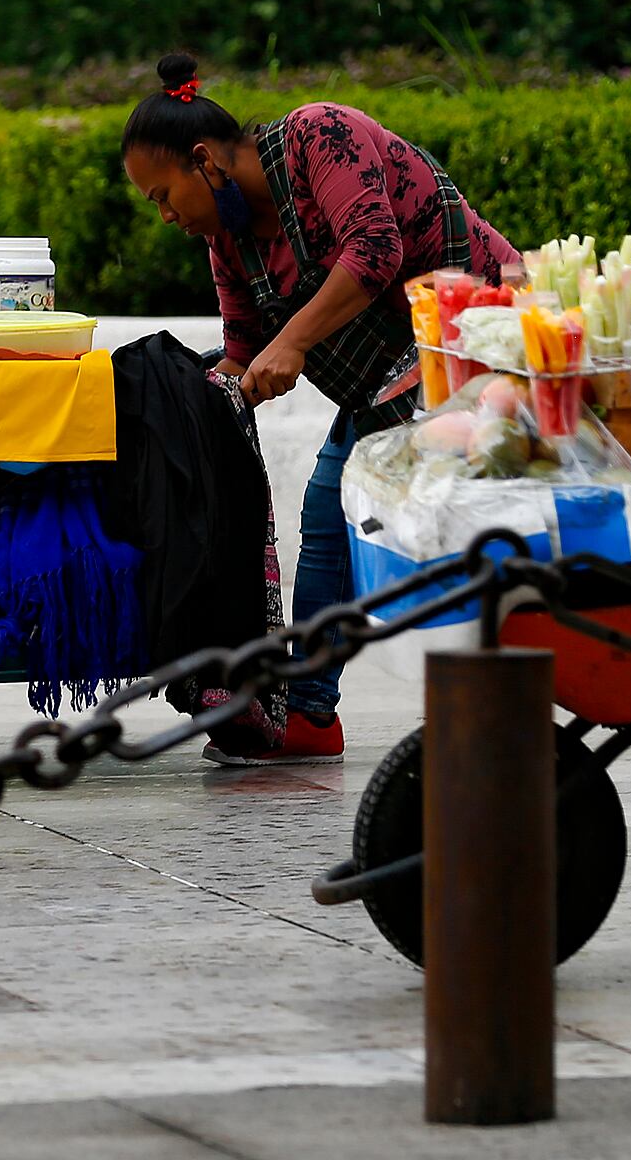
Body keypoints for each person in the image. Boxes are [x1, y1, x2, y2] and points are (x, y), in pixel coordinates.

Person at [120, 54, 519, 766]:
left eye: (162, 194)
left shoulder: (317, 136)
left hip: (474, 346)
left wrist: (294, 342)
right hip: (382, 388)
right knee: (328, 512)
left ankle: (472, 708)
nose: (167, 215)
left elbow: (373, 248)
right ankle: (308, 714)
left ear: (204, 160)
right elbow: (246, 352)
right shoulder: (229, 243)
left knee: (445, 527)